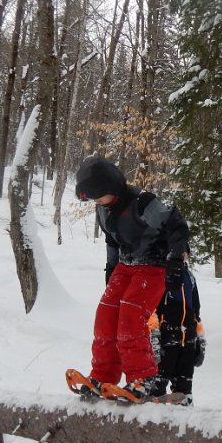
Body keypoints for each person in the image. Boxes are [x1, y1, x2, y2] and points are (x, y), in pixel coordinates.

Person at [74, 156, 190, 400]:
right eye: (93, 198)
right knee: (105, 314)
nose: (96, 201)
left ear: (110, 186)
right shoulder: (103, 208)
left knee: (130, 314)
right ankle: (103, 376)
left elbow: (176, 224)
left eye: (98, 195)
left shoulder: (142, 202)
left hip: (154, 265)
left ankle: (142, 378)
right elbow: (112, 239)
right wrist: (110, 268)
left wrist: (176, 259)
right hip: (126, 265)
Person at [152, 258, 204, 403]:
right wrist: (153, 334)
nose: (182, 254)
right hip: (166, 336)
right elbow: (152, 308)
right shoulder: (162, 273)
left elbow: (196, 310)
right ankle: (153, 408)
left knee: (184, 384)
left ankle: (184, 407)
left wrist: (199, 337)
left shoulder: (189, 276)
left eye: (185, 251)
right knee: (159, 381)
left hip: (188, 338)